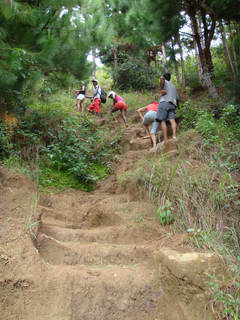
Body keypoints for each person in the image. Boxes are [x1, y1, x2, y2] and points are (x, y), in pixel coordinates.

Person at [150, 72, 179, 151]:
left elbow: (161, 79)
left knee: (162, 121)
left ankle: (166, 139)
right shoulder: (173, 86)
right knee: (172, 120)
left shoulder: (165, 82)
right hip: (173, 105)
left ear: (165, 78)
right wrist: (177, 107)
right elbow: (177, 98)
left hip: (164, 103)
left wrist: (162, 80)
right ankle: (174, 136)